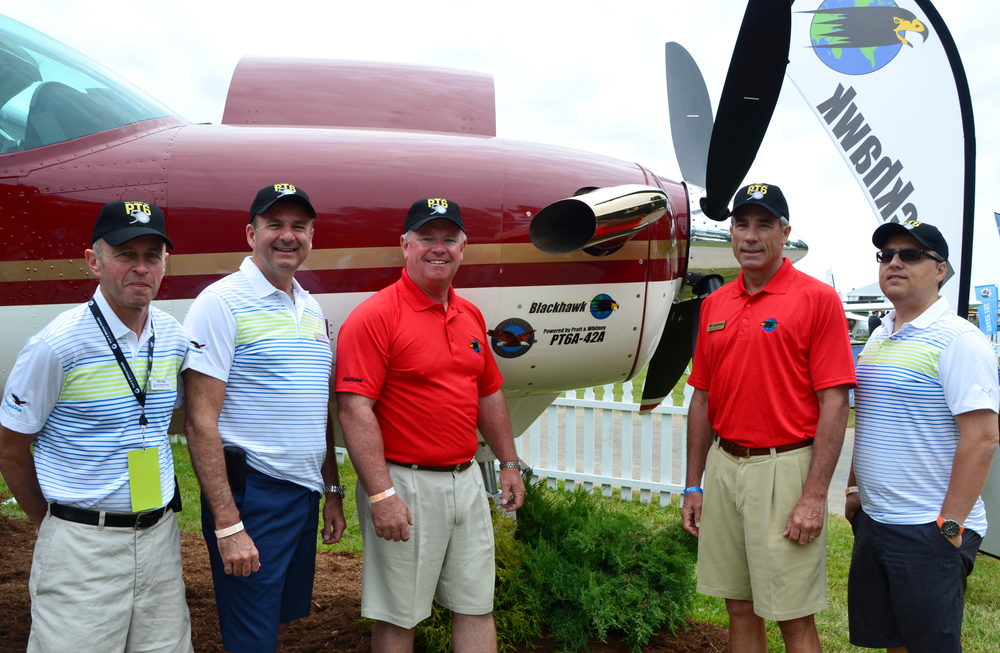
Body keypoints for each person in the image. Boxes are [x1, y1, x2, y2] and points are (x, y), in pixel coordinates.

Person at [0, 201, 192, 652]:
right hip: (82, 545)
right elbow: (10, 448)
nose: (140, 267)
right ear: (94, 261)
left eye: (152, 255)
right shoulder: (56, 346)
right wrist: (52, 525)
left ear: (167, 263)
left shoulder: (173, 338)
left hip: (159, 539)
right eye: (126, 254)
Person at [335, 197, 525, 653]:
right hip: (405, 484)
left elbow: (489, 393)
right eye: (426, 238)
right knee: (400, 616)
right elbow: (353, 409)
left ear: (464, 247)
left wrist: (509, 463)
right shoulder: (375, 316)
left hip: (466, 481)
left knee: (477, 605)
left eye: (448, 238)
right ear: (405, 245)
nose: (437, 248)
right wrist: (381, 495)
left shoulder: (470, 315)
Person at [681, 183, 856, 653]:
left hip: (785, 468)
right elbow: (702, 398)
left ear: (785, 233)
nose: (751, 236)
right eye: (742, 224)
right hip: (724, 467)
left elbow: (835, 402)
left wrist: (816, 495)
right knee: (738, 606)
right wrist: (693, 484)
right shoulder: (715, 304)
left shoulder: (817, 299)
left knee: (792, 615)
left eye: (764, 224)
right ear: (731, 233)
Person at [182, 183, 347, 653]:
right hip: (253, 495)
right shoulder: (221, 303)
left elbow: (316, 412)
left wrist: (331, 491)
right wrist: (229, 524)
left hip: (303, 496)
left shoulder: (310, 307)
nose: (287, 236)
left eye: (299, 226)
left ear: (312, 235)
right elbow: (199, 422)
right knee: (249, 634)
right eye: (275, 225)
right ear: (251, 233)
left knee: (274, 621)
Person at [845, 220, 999, 653]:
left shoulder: (960, 341)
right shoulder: (878, 337)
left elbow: (984, 438)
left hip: (928, 529)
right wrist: (855, 489)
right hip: (876, 522)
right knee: (894, 642)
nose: (894, 262)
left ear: (940, 270)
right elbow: (871, 420)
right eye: (886, 255)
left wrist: (949, 526)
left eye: (911, 254)